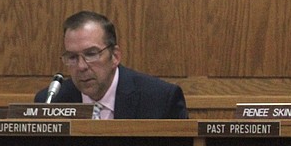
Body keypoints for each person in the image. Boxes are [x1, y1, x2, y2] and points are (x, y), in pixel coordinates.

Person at [34, 10, 188, 119]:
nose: (81, 66)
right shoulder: (50, 103)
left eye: (91, 54)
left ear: (115, 56)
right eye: (72, 57)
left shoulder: (160, 99)